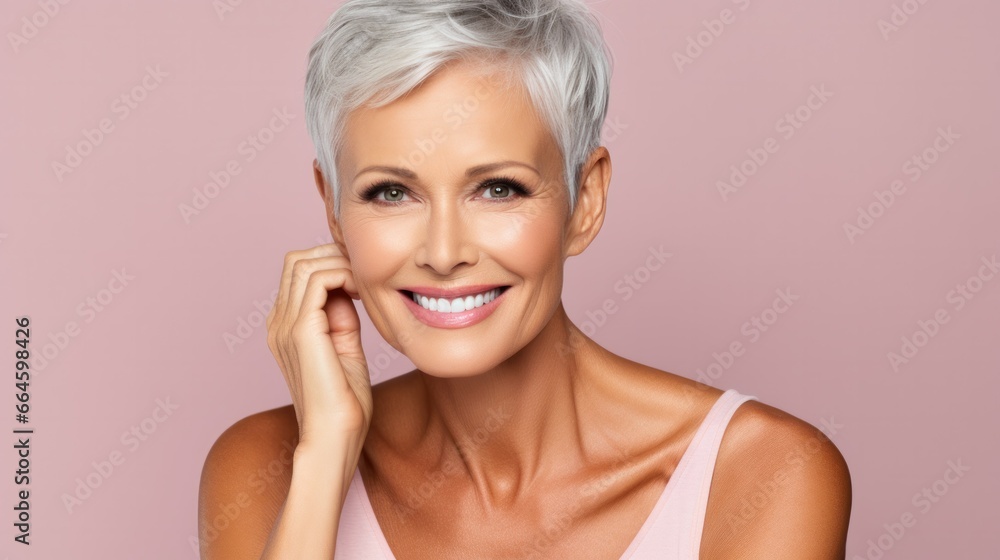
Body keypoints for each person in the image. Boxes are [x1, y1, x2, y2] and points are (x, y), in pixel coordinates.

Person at [197, 0, 852, 558]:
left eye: (498, 189)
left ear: (584, 201)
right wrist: (324, 460)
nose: (444, 251)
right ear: (333, 210)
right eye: (392, 193)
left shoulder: (763, 472)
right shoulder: (269, 463)